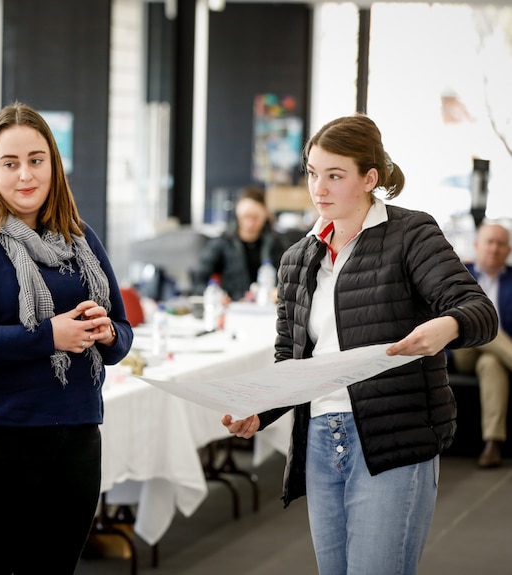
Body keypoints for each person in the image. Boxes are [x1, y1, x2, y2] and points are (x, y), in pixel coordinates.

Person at [221, 114, 498, 574]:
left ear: (369, 179)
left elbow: (478, 310)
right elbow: (289, 359)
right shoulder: (297, 258)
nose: (319, 188)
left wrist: (445, 327)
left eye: (334, 175)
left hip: (392, 439)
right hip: (320, 442)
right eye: (312, 173)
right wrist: (261, 408)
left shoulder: (411, 234)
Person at [0, 101, 134, 574]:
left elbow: (121, 336)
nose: (25, 176)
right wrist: (48, 337)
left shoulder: (79, 236)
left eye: (36, 161)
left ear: (53, 165)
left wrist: (105, 333)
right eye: (10, 163)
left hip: (73, 436)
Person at [451, 221, 512, 468]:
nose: (494, 249)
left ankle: (492, 444)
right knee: (482, 325)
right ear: (477, 245)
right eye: (489, 242)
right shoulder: (457, 275)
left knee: (491, 363)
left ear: (507, 251)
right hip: (462, 348)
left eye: (501, 244)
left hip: (496, 353)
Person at [191, 186, 289, 301]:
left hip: (267, 306)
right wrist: (216, 296)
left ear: (264, 216)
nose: (250, 223)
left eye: (255, 217)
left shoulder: (275, 243)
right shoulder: (223, 243)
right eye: (246, 216)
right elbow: (198, 281)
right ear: (238, 215)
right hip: (232, 306)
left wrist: (280, 291)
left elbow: (289, 278)